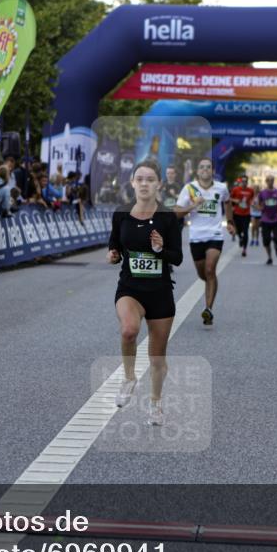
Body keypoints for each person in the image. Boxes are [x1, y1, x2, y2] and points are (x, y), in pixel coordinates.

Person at [107, 160, 183, 426]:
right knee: (128, 330)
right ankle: (129, 378)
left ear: (158, 184)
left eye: (150, 179)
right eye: (139, 179)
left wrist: (162, 249)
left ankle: (156, 402)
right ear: (132, 183)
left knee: (157, 358)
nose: (144, 183)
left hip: (160, 292)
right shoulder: (121, 214)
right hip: (130, 288)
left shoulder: (168, 218)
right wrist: (113, 255)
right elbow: (114, 246)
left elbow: (178, 258)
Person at [174, 157, 231, 326]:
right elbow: (176, 212)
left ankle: (208, 310)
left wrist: (231, 222)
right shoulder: (190, 188)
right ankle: (211, 286)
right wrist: (193, 205)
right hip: (196, 236)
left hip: (215, 235)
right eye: (202, 167)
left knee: (210, 269)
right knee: (202, 274)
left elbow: (227, 203)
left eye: (208, 167)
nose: (205, 170)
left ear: (213, 171)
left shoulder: (221, 188)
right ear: (197, 171)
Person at [257, 176, 277, 264]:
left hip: (276, 219)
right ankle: (270, 257)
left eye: (272, 180)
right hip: (265, 219)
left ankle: (276, 245)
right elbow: (259, 205)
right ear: (266, 182)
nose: (271, 182)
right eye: (269, 180)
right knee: (266, 240)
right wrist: (260, 207)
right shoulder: (262, 193)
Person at [229, 174, 255, 257]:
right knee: (238, 231)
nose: (244, 183)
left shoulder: (251, 190)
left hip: (246, 214)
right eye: (243, 181)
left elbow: (252, 199)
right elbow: (228, 198)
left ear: (247, 182)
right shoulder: (236, 189)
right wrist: (235, 200)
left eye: (246, 181)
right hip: (237, 214)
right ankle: (240, 238)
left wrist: (252, 203)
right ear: (241, 182)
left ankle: (244, 249)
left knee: (246, 231)